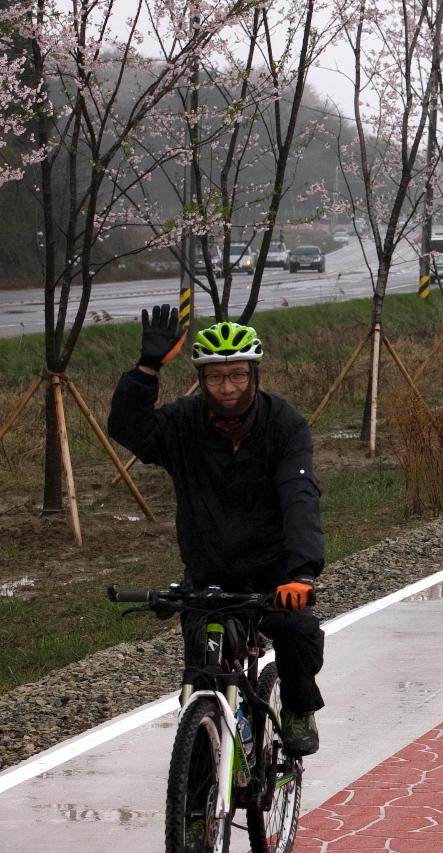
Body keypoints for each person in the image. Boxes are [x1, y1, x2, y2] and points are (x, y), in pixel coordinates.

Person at [108, 308, 325, 757]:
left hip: (272, 575)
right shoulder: (183, 425)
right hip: (207, 574)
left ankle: (299, 708)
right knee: (202, 679)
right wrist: (146, 371)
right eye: (216, 378)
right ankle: (197, 806)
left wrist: (301, 574)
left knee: (297, 631)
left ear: (255, 376)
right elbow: (129, 429)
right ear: (201, 381)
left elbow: (299, 495)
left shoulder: (284, 425)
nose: (228, 388)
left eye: (238, 376)